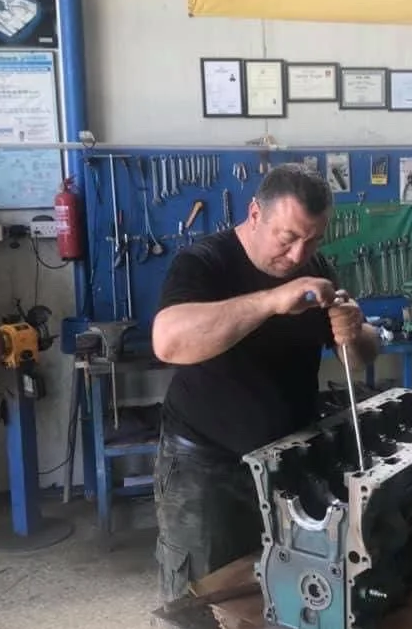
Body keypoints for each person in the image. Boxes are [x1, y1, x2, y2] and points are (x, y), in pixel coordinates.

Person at [151, 163, 380, 606]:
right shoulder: (204, 262)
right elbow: (168, 341)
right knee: (201, 602)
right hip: (207, 470)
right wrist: (272, 301)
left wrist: (353, 331)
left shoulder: (315, 267)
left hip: (288, 466)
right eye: (287, 238)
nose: (297, 256)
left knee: (287, 597)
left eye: (312, 240)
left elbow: (357, 357)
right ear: (255, 213)